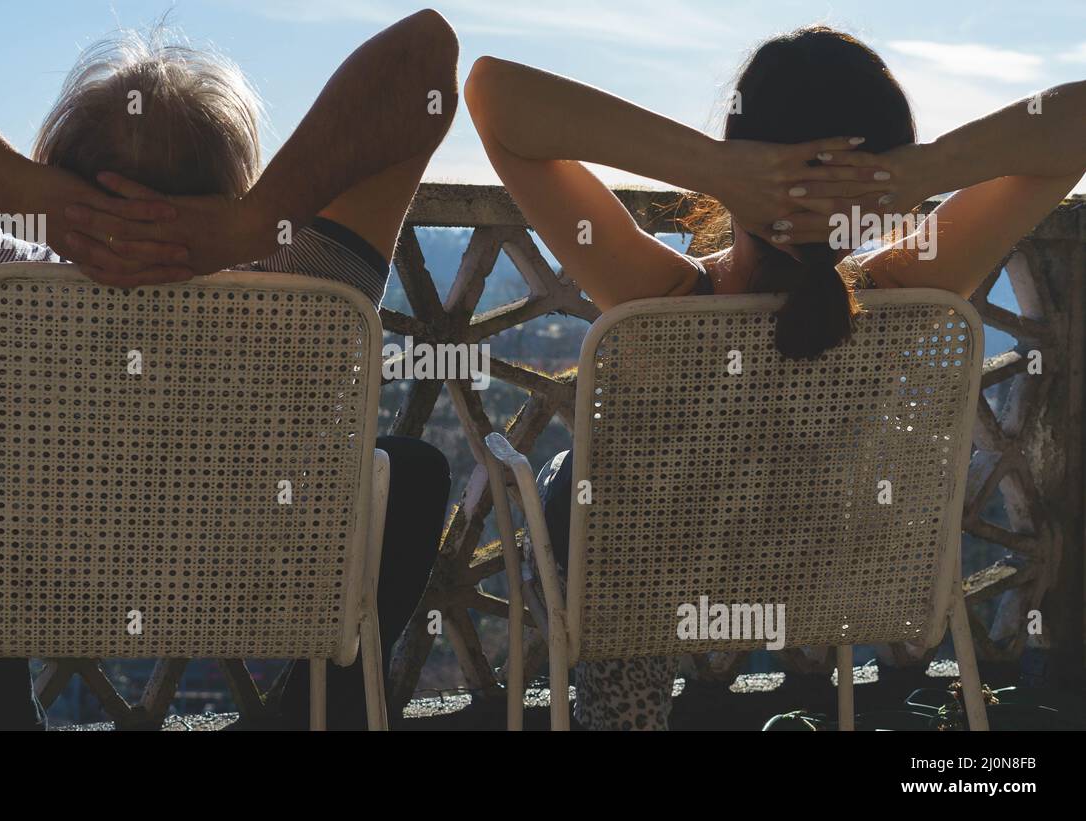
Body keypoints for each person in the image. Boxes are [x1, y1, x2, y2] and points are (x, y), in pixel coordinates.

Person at [0, 9, 459, 730]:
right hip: (256, 595)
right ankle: (325, 712)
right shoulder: (315, 293)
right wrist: (255, 220)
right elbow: (425, 56)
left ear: (60, 171)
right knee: (409, 469)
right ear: (235, 181)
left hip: (41, 596)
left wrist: (21, 190)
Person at [465, 25, 1086, 730]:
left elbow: (493, 94)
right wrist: (924, 171)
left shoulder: (662, 300)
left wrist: (710, 165)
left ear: (740, 161)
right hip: (834, 586)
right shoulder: (910, 293)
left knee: (573, 482)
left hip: (653, 598)